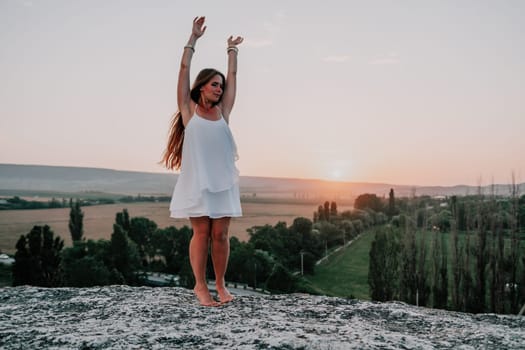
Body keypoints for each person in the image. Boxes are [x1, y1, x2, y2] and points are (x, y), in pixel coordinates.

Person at [162, 16, 243, 307]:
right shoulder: (188, 109)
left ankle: (220, 285)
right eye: (213, 85)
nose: (219, 89)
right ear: (201, 88)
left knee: (220, 235)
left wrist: (231, 51)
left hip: (223, 182)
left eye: (220, 86)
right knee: (202, 232)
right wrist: (193, 38)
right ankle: (200, 286)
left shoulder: (224, 112)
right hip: (197, 182)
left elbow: (233, 79)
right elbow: (184, 69)